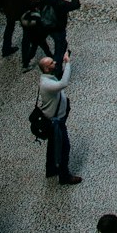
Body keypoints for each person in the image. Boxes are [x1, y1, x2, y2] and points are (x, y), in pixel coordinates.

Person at [37, 51, 81, 184]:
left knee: (52, 145)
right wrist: (67, 63)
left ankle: (51, 169)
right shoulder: (47, 84)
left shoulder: (48, 77)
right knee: (64, 147)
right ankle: (64, 176)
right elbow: (63, 83)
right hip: (56, 121)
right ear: (46, 68)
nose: (55, 63)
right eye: (51, 63)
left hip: (53, 118)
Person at [36, 0, 81, 64]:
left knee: (62, 43)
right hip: (58, 29)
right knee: (59, 49)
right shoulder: (60, 3)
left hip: (46, 26)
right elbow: (76, 4)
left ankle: (63, 52)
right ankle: (56, 68)